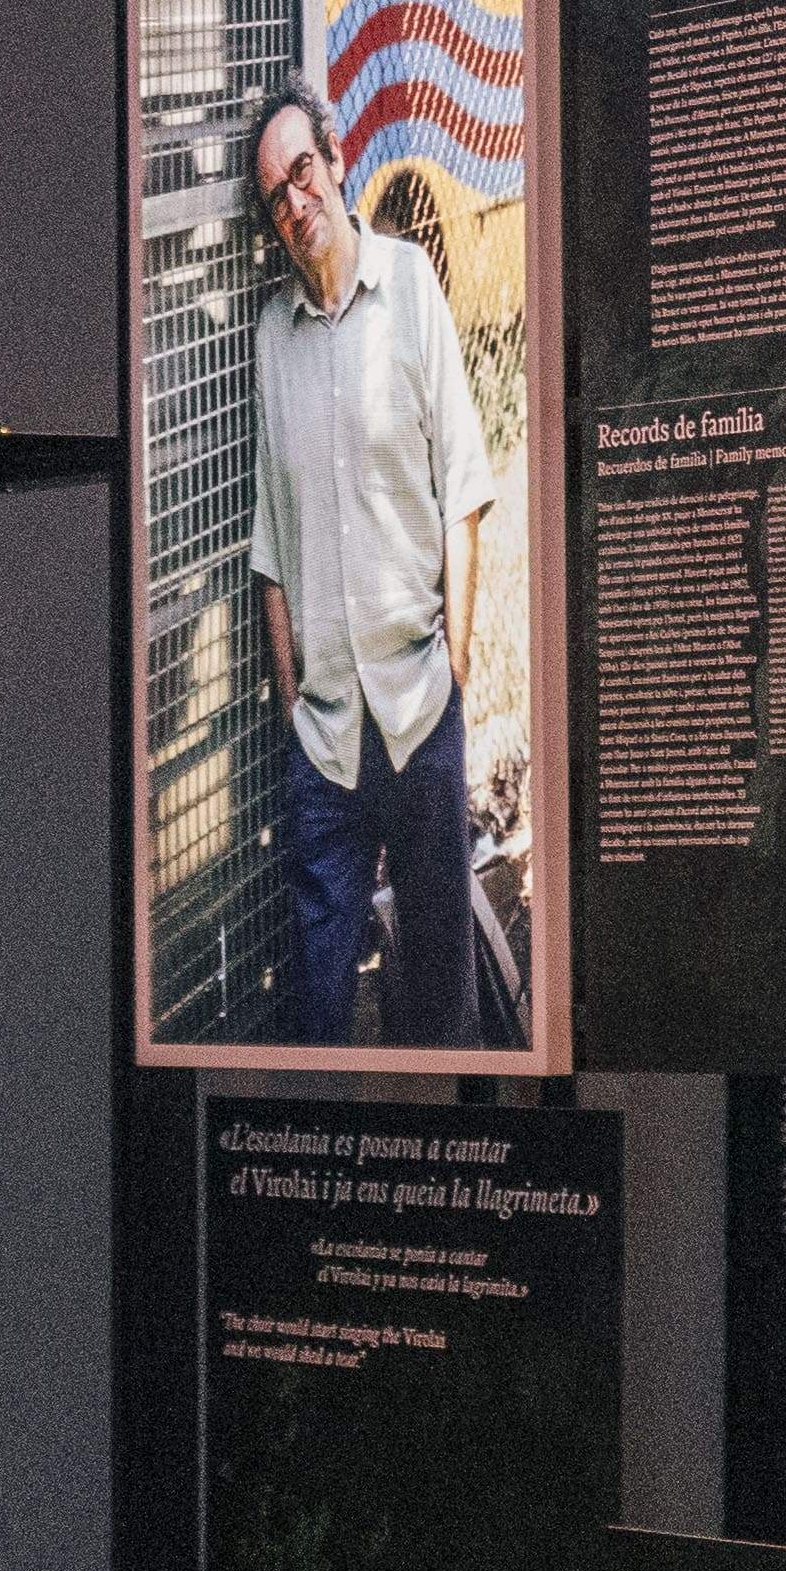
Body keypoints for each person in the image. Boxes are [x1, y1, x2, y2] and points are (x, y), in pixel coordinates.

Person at [244, 91, 499, 1043]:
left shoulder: (411, 285)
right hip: (325, 742)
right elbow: (271, 543)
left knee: (441, 1002)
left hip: (420, 710)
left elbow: (464, 490)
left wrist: (455, 668)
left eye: (302, 172)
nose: (295, 203)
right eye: (275, 196)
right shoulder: (272, 340)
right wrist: (290, 700)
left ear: (337, 158)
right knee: (318, 1009)